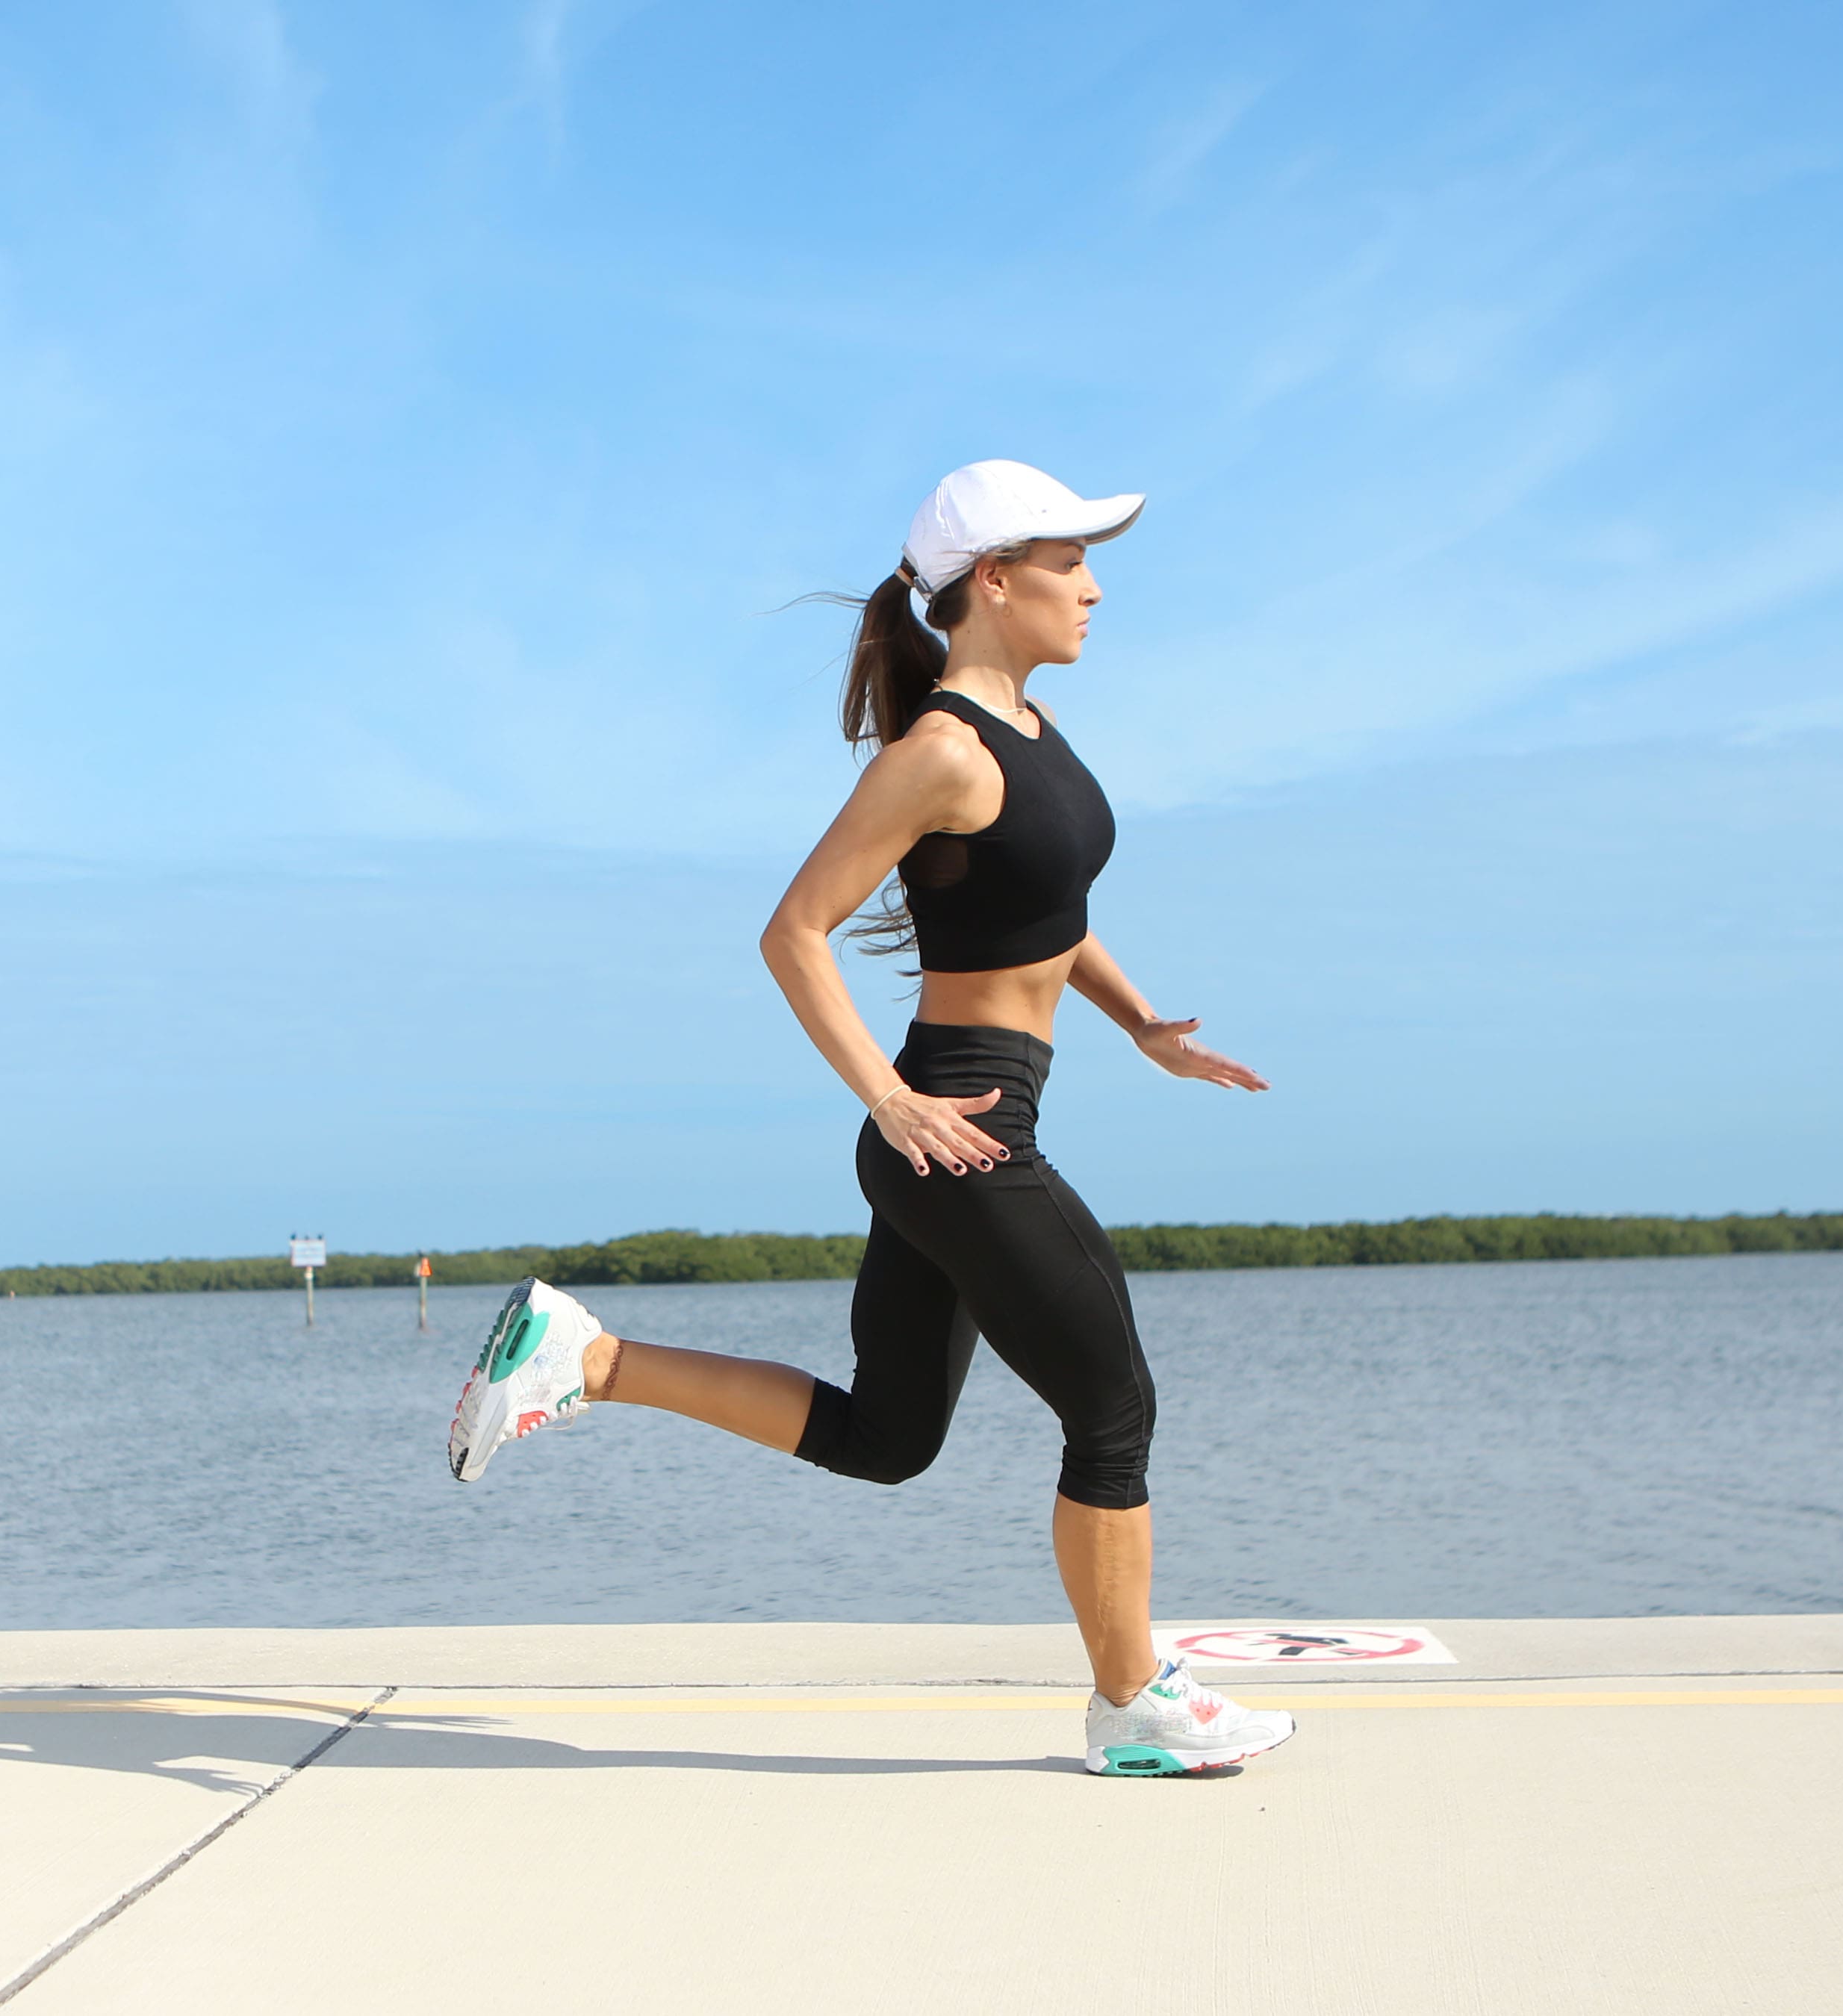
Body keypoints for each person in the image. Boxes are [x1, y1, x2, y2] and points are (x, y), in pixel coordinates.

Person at [447, 459, 1295, 1778]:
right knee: (1113, 1406)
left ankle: (587, 1357)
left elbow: (1047, 917)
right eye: (1071, 562)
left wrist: (1141, 1029)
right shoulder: (941, 753)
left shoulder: (1031, 734)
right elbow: (795, 933)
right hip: (955, 1133)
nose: (1096, 586)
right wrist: (891, 1101)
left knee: (888, 1440)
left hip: (962, 1132)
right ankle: (1133, 1705)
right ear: (996, 582)